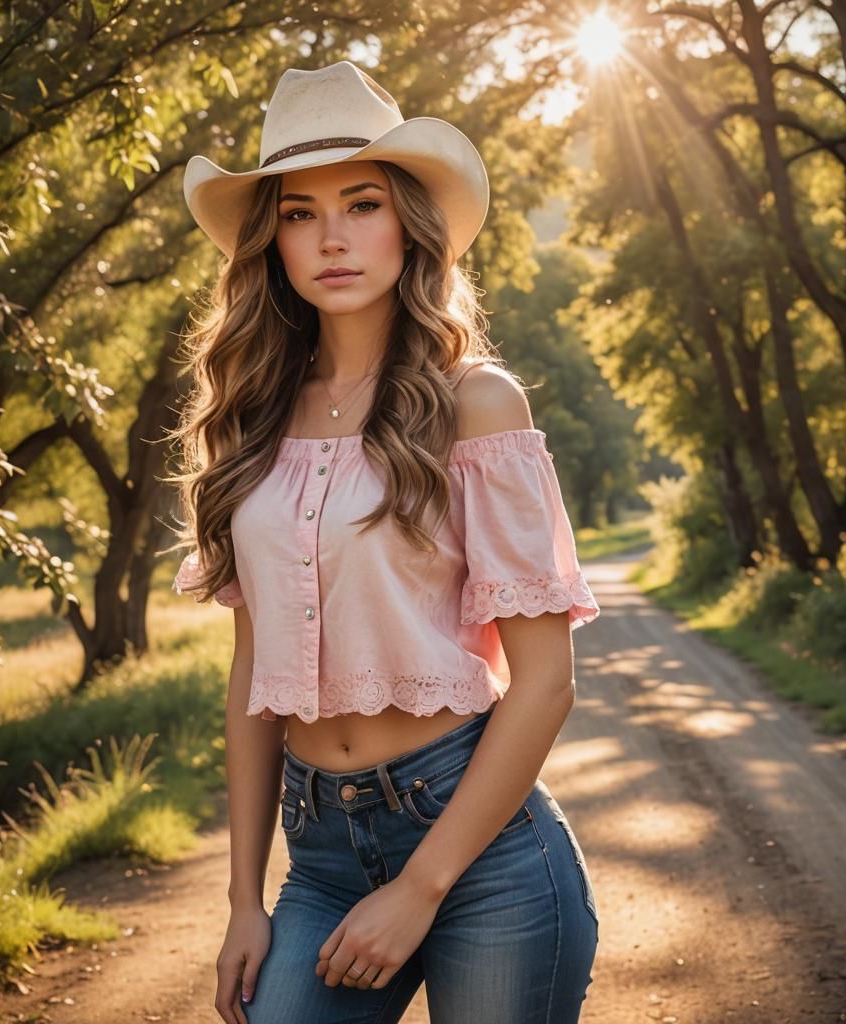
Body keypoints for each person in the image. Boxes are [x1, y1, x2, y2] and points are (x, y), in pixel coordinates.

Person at [167, 60, 601, 1024]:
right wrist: (244, 898)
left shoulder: (476, 404)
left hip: (480, 849)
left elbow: (545, 679)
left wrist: (421, 886)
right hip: (318, 850)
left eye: (361, 204)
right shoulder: (255, 420)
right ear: (269, 241)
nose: (331, 238)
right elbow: (254, 674)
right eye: (297, 212)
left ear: (408, 221)